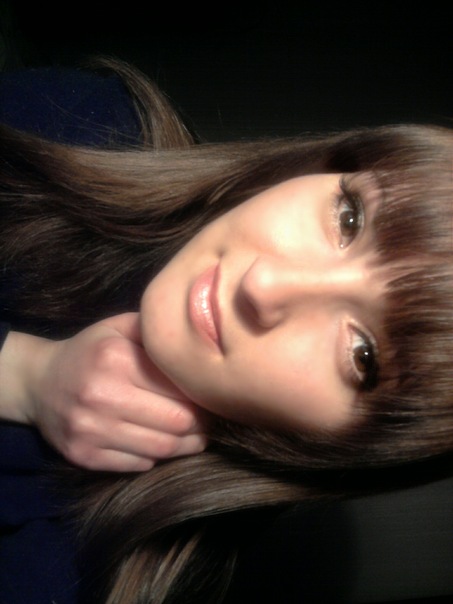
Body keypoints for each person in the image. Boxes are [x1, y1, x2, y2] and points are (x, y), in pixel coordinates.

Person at [0, 59, 452, 603]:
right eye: (349, 218)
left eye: (363, 354)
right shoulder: (91, 123)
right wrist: (20, 368)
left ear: (357, 445)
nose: (264, 286)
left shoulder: (106, 580)